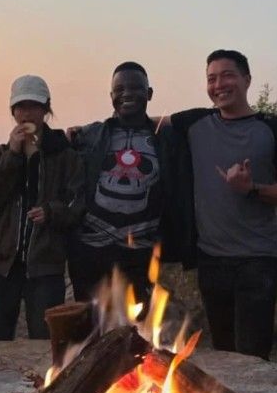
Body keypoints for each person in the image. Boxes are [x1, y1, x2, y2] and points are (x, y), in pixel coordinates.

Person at [169, 50, 277, 360]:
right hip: (211, 259)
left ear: (247, 80)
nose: (219, 84)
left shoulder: (273, 128)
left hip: (257, 261)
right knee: (224, 353)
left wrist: (251, 189)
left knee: (252, 357)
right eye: (211, 78)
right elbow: (141, 123)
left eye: (228, 75)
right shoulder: (194, 122)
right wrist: (84, 132)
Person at [68, 62, 195, 303]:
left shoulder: (168, 140)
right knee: (90, 333)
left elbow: (208, 118)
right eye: (120, 89)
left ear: (149, 94)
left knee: (136, 334)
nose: (127, 93)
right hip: (91, 254)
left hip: (141, 256)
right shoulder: (89, 136)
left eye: (136, 87)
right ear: (111, 96)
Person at [0, 75, 84, 340]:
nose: (27, 113)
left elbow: (78, 203)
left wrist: (51, 212)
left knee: (46, 340)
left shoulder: (65, 155)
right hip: (3, 261)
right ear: (12, 110)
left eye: (34, 106)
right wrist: (13, 154)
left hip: (46, 263)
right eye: (21, 106)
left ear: (46, 108)